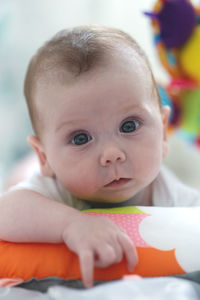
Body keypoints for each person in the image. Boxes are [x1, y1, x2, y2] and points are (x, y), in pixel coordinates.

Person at [0, 25, 200, 288]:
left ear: (163, 132)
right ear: (45, 157)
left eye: (129, 126)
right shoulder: (56, 192)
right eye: (80, 138)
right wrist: (70, 224)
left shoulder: (178, 199)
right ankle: (26, 162)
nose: (112, 154)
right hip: (32, 176)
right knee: (19, 177)